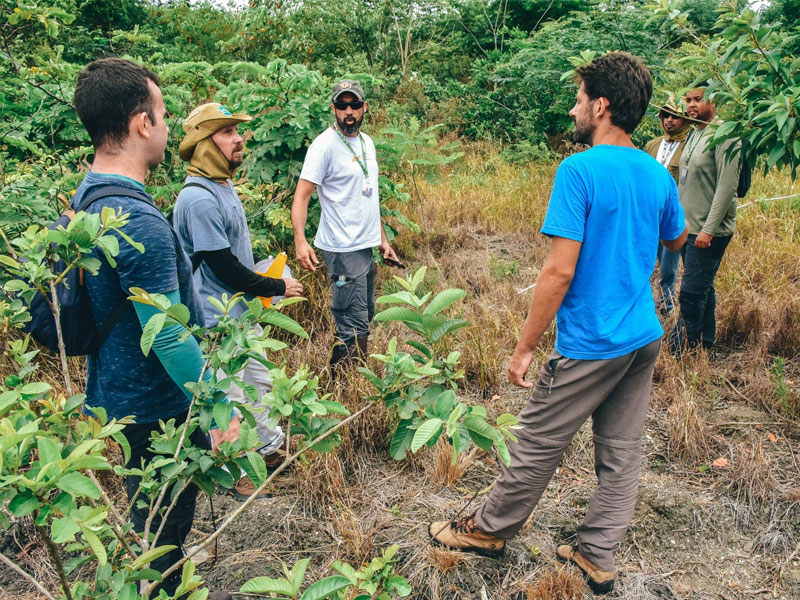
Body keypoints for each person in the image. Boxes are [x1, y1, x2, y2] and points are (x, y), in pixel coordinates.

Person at [427, 52, 688, 595]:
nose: (573, 108)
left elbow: (559, 270)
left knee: (537, 441)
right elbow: (677, 239)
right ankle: (596, 554)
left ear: (601, 104)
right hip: (642, 335)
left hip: (594, 339)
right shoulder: (656, 173)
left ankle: (487, 531)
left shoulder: (578, 171)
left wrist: (524, 346)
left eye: (578, 98)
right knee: (621, 450)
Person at [73, 58, 232, 599]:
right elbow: (165, 333)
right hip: (158, 405)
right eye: (163, 115)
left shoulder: (90, 195)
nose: (167, 128)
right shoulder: (138, 218)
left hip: (115, 392)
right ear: (143, 123)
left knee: (148, 513)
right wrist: (217, 408)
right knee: (165, 526)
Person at [173, 102, 304, 500]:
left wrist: (267, 274)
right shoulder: (197, 200)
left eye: (236, 130)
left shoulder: (222, 186)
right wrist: (276, 287)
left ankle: (268, 451)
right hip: (216, 319)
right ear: (203, 142)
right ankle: (232, 472)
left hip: (241, 315)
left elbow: (235, 257)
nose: (239, 138)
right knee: (227, 397)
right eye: (227, 132)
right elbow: (223, 266)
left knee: (259, 384)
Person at [291, 80, 399, 373]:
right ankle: (343, 384)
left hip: (364, 247)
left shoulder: (366, 142)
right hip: (341, 248)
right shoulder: (324, 146)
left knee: (365, 315)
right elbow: (302, 196)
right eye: (342, 106)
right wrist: (300, 240)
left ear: (365, 107)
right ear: (333, 109)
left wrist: (382, 240)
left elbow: (369, 194)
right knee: (351, 320)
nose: (348, 112)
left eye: (354, 105)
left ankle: (350, 378)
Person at [668, 84, 741, 355]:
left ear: (713, 100)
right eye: (687, 99)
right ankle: (704, 342)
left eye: (697, 99)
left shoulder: (726, 135)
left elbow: (726, 187)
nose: (691, 105)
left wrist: (708, 230)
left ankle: (680, 349)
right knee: (702, 288)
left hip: (709, 232)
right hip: (689, 227)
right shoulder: (694, 132)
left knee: (690, 293)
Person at [644, 99, 691, 314]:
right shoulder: (653, 145)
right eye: (665, 116)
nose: (669, 121)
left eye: (675, 116)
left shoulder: (689, 146)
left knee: (668, 266)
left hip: (673, 215)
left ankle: (666, 306)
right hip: (650, 214)